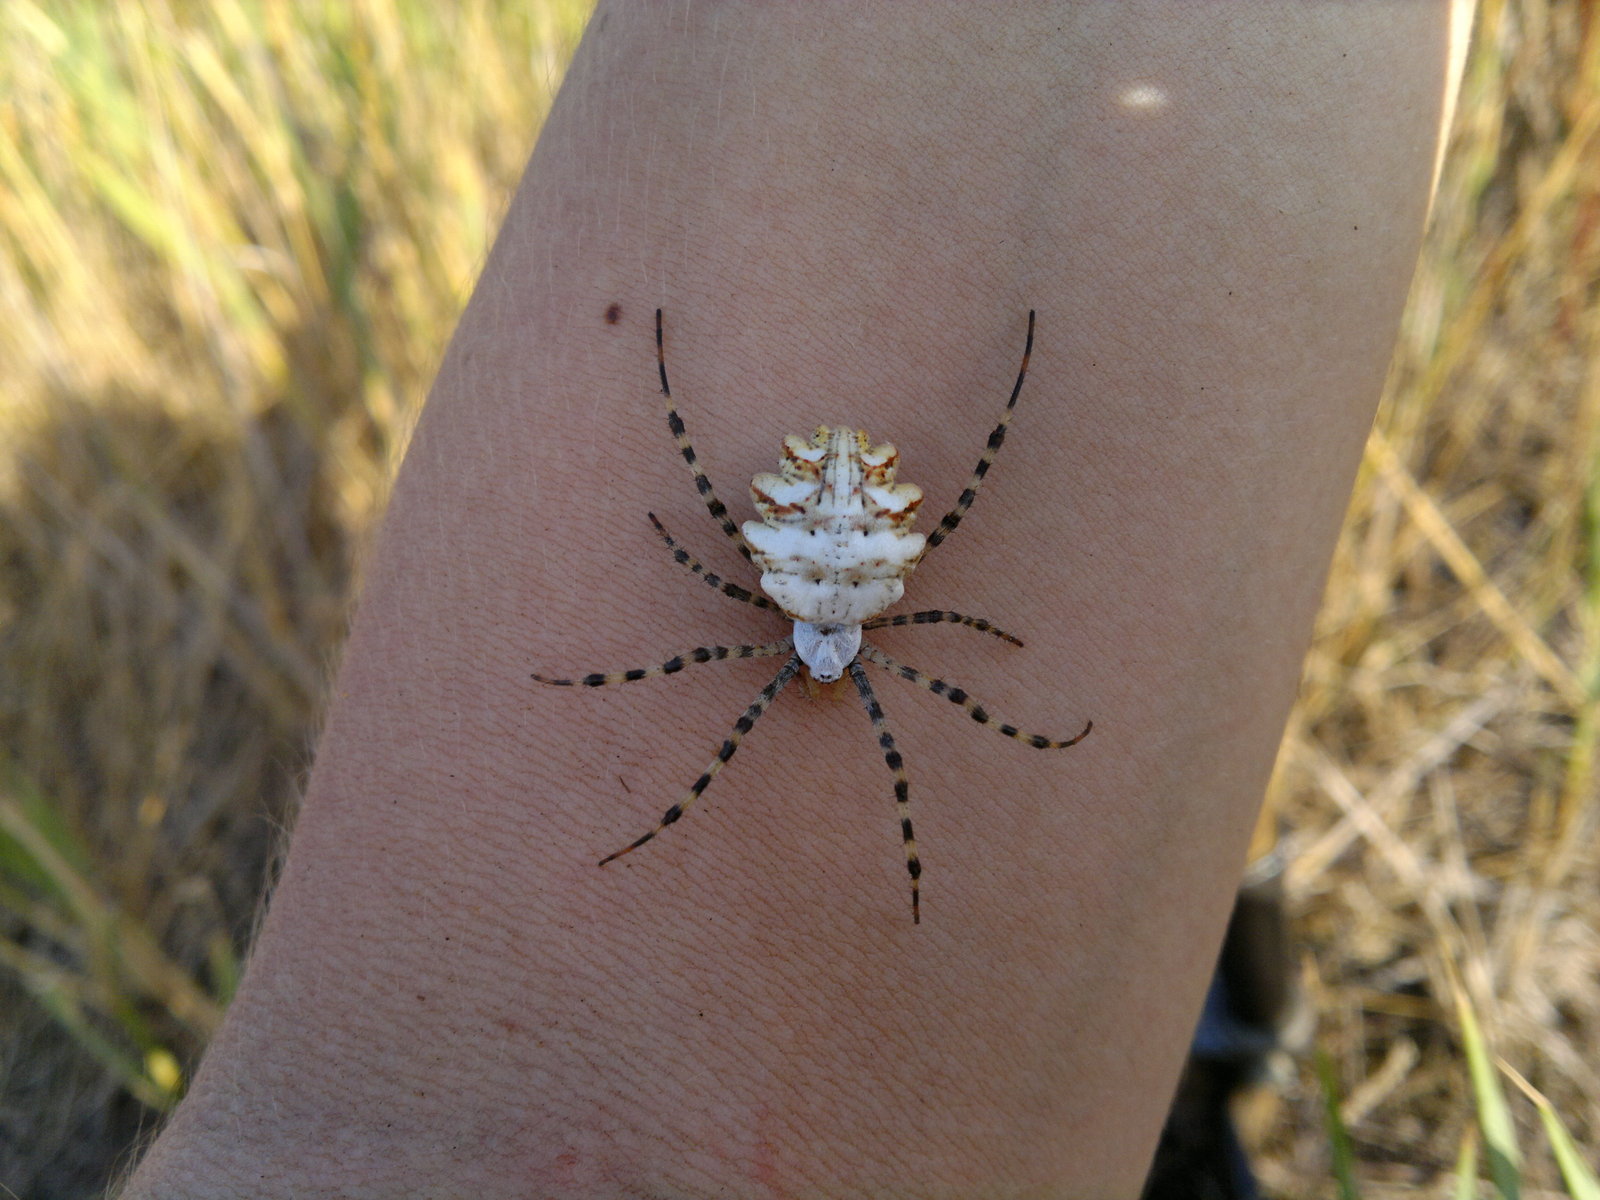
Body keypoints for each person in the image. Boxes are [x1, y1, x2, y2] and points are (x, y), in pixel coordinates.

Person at [125, 5, 1470, 1195]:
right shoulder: (867, 641)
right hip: (849, 543)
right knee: (859, 700)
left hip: (820, 538)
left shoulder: (785, 630)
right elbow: (893, 639)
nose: (825, 681)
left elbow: (745, 567)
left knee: (797, 675)